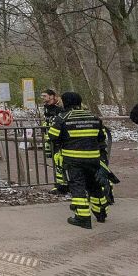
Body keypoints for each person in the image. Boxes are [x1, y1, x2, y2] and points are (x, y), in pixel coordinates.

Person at [47, 92, 108, 229]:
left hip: (73, 159)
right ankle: (101, 214)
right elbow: (101, 137)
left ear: (66, 102)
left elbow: (52, 136)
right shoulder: (93, 117)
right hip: (93, 158)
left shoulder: (62, 118)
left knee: (77, 186)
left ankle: (83, 217)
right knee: (95, 185)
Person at [40, 89, 68, 194]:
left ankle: (64, 185)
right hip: (51, 138)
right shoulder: (47, 108)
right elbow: (47, 120)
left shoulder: (60, 108)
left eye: (45, 96)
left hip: (60, 139)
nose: (43, 98)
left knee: (62, 162)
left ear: (52, 96)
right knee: (57, 162)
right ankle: (60, 185)